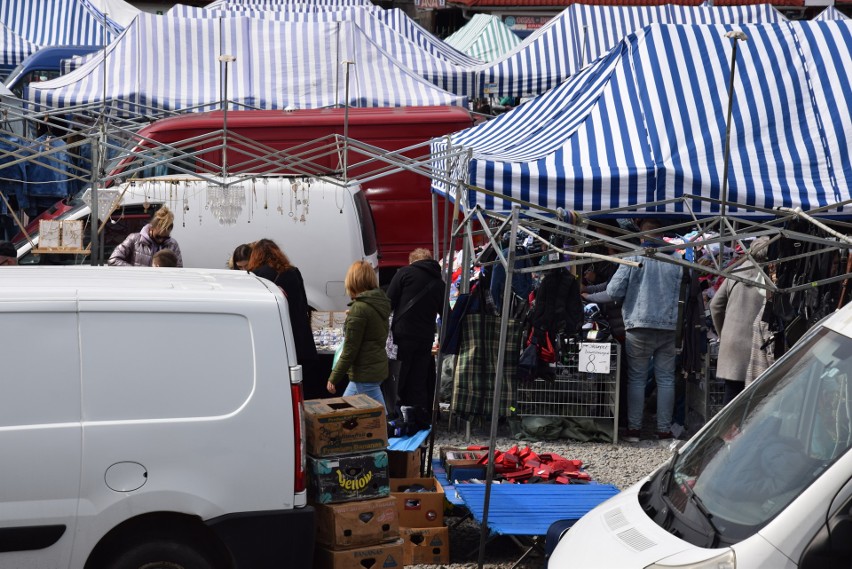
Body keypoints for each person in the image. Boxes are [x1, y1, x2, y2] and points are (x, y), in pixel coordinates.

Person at [606, 218, 683, 442]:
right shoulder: (678, 258)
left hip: (638, 325)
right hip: (669, 326)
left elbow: (613, 291)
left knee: (637, 379)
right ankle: (663, 430)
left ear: (642, 233)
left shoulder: (634, 256)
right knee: (666, 379)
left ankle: (634, 430)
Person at [710, 237, 771, 403]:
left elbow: (715, 305)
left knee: (731, 399)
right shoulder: (770, 279)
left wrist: (723, 332)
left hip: (731, 343)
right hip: (757, 346)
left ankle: (726, 429)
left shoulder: (735, 273)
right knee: (754, 402)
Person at [386, 248, 444, 414]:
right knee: (418, 380)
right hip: (425, 338)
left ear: (412, 261)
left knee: (399, 377)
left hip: (402, 335)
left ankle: (395, 417)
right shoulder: (439, 283)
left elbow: (388, 303)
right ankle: (416, 418)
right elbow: (446, 313)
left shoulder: (404, 273)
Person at [246, 239, 318, 372]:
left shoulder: (256, 276)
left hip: (273, 336)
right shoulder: (293, 272)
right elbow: (302, 304)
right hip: (297, 335)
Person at [327, 260, 390, 409]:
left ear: (352, 281)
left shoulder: (360, 309)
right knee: (344, 410)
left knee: (379, 417)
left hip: (365, 371)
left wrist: (334, 377)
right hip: (374, 366)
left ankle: (388, 430)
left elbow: (350, 349)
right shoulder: (378, 303)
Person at [108, 206, 183, 267]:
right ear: (151, 228)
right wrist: (135, 272)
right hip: (138, 283)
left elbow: (179, 269)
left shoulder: (172, 245)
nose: (161, 240)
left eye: (166, 237)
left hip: (162, 283)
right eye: (158, 236)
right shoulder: (134, 239)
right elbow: (113, 260)